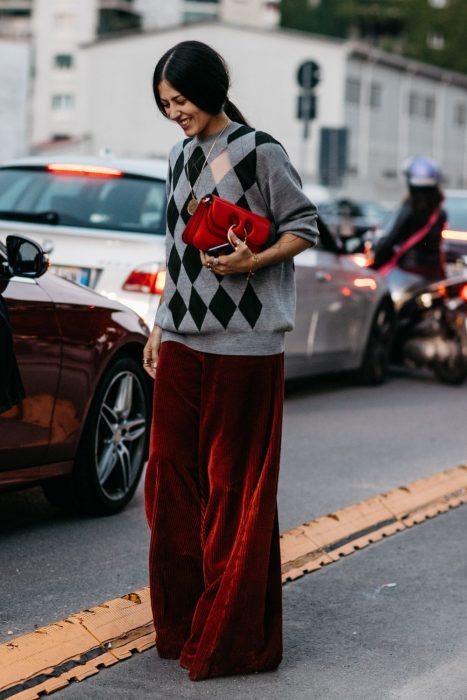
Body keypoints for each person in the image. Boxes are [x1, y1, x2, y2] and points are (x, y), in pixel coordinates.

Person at [143, 40, 318, 682]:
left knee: (233, 490)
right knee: (169, 481)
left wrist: (254, 261)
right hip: (185, 338)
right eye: (165, 104)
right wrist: (162, 324)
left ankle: (235, 637)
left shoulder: (261, 150)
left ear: (211, 90)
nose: (174, 113)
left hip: (246, 346)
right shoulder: (177, 156)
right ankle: (185, 623)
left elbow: (304, 225)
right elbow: (176, 253)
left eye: (181, 100)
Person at [372, 156, 447, 280]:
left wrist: (374, 266)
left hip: (408, 273)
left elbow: (390, 240)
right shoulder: (440, 213)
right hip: (434, 274)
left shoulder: (409, 209)